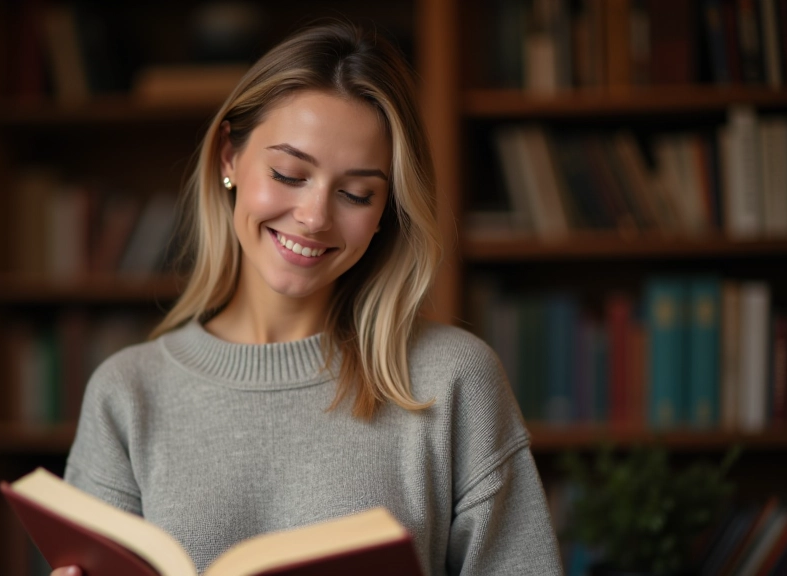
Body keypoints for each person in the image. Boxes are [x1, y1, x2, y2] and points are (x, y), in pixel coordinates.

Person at [54, 20, 562, 576]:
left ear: (386, 211)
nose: (315, 217)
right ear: (230, 158)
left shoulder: (452, 380)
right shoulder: (128, 393)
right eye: (288, 173)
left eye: (355, 193)